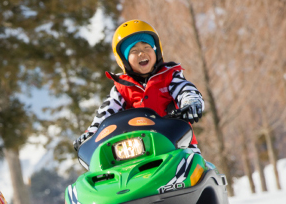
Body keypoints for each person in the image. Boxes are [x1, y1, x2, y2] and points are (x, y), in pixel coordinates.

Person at [75, 20, 204, 154]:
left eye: (147, 47)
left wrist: (191, 102)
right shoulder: (121, 89)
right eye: (134, 50)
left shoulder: (169, 77)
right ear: (124, 60)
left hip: (178, 142)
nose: (141, 53)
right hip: (139, 149)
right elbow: (106, 111)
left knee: (191, 165)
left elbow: (185, 89)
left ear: (157, 51)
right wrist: (91, 133)